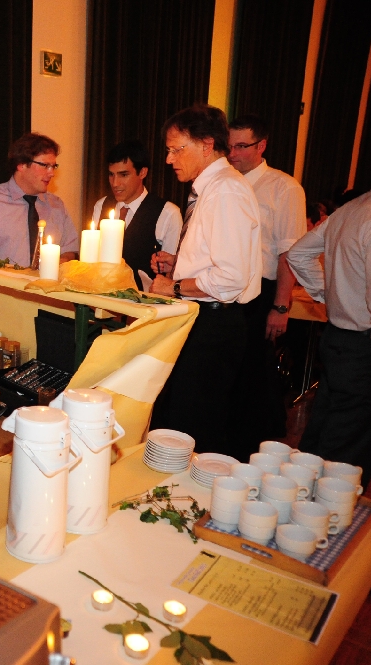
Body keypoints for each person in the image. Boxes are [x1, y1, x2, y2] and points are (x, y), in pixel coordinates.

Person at [149, 104, 262, 457]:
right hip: (204, 319)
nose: (169, 159)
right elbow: (216, 258)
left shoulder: (225, 191)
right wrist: (180, 263)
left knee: (194, 428)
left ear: (207, 144)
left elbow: (229, 279)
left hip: (215, 324)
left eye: (176, 149)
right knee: (178, 420)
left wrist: (173, 286)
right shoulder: (209, 189)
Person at [287, 129, 371, 484]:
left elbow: (298, 253)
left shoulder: (354, 207)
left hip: (337, 341)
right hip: (367, 352)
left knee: (321, 444)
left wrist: (329, 295)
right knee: (346, 463)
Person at [226, 114, 307, 449]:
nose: (232, 154)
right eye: (229, 146)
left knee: (252, 371)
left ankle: (250, 446)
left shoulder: (284, 188)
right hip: (227, 288)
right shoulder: (225, 183)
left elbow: (290, 251)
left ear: (261, 146)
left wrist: (281, 305)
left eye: (241, 146)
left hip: (262, 291)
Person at [0, 132, 79, 266]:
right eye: (45, 165)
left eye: (53, 166)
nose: (51, 173)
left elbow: (70, 250)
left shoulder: (56, 205)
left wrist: (59, 262)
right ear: (21, 165)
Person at [90, 140, 182, 280]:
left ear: (142, 172)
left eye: (123, 175)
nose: (115, 183)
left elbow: (171, 273)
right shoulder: (101, 205)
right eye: (111, 174)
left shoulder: (168, 213)